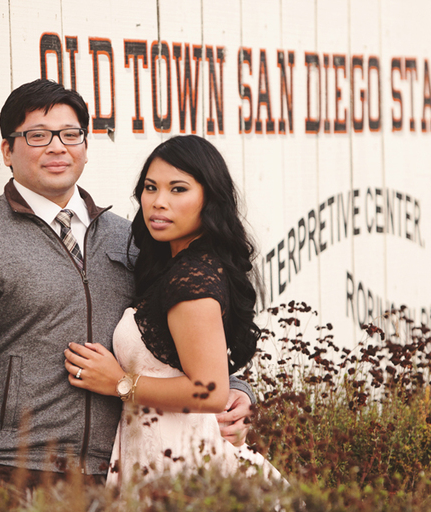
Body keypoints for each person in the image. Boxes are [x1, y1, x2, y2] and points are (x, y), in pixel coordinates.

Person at [0, 79, 254, 487]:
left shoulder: (133, 238)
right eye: (37, 136)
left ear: (85, 145)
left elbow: (177, 337)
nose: (57, 147)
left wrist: (234, 391)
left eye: (70, 134)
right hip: (21, 471)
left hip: (121, 466)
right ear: (8, 150)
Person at [63, 135, 282, 486]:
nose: (158, 203)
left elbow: (210, 391)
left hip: (184, 464)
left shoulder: (191, 279)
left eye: (178, 190)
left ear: (209, 199)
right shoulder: (174, 264)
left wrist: (119, 383)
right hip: (162, 453)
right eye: (151, 188)